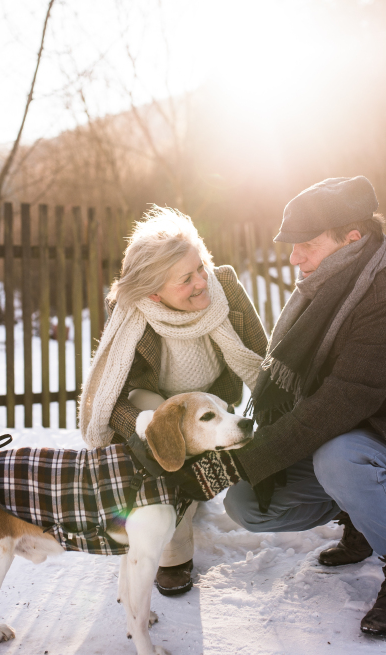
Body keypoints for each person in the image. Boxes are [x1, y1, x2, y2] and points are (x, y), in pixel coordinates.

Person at [175, 176, 386, 637]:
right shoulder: (319, 296)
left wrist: (240, 461)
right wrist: (236, 462)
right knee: (249, 503)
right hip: (351, 441)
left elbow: (332, 408)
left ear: (351, 239)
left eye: (306, 245)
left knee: (340, 457)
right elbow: (297, 399)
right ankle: (361, 516)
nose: (294, 257)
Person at [78, 206, 267, 595]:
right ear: (154, 292)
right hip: (156, 402)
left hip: (216, 402)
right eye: (186, 278)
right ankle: (173, 554)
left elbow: (262, 358)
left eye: (201, 268)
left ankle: (199, 478)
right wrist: (148, 427)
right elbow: (110, 397)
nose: (202, 282)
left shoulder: (225, 286)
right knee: (153, 429)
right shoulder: (130, 313)